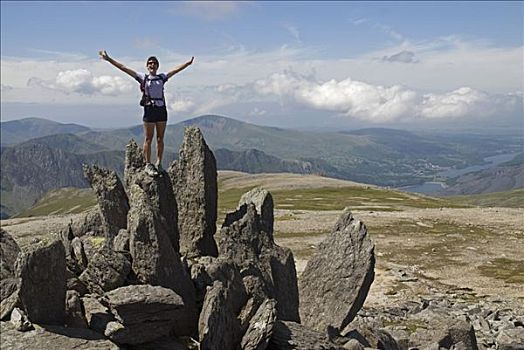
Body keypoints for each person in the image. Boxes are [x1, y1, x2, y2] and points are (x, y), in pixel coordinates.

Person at [99, 50, 194, 176]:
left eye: (154, 63)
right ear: (147, 66)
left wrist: (187, 63)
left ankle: (158, 164)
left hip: (161, 110)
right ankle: (148, 164)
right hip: (149, 110)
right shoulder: (143, 78)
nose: (152, 65)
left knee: (160, 139)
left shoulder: (162, 77)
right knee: (148, 138)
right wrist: (109, 59)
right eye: (150, 63)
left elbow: (175, 70)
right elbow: (124, 68)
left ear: (157, 66)